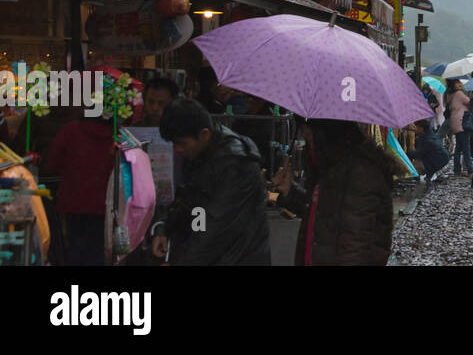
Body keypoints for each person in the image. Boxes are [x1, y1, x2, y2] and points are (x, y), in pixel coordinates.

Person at [151, 98, 271, 265]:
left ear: (204, 134)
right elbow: (188, 202)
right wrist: (163, 227)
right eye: (173, 144)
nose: (177, 150)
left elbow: (215, 227)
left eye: (182, 143)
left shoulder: (236, 164)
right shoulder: (199, 153)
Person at [272, 118, 403, 265]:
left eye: (308, 135)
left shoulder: (360, 175)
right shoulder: (332, 169)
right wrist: (290, 191)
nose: (308, 143)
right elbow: (326, 217)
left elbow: (355, 247)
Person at [43, 109, 116, 265]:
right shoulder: (116, 136)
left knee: (74, 248)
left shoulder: (71, 130)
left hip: (72, 202)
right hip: (103, 205)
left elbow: (53, 162)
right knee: (97, 250)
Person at [445, 79, 471, 176]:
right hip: (462, 122)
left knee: (459, 148)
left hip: (455, 122)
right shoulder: (459, 94)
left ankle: (457, 169)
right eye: (458, 82)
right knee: (466, 148)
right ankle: (470, 170)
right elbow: (469, 102)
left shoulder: (449, 94)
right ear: (454, 84)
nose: (460, 84)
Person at [413, 118, 450, 186]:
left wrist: (406, 154)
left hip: (440, 160)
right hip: (439, 158)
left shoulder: (428, 140)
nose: (415, 129)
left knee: (414, 165)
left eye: (416, 127)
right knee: (419, 160)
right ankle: (428, 175)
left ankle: (427, 173)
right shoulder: (427, 135)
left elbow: (419, 154)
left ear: (421, 128)